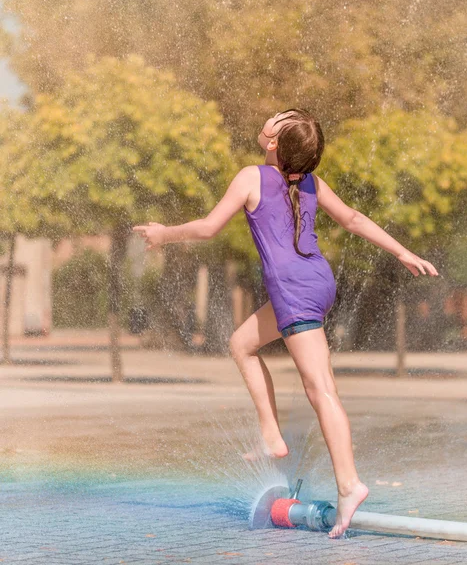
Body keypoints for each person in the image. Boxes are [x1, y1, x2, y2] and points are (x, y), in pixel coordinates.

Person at [133, 108, 439, 539]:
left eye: (280, 119)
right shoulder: (310, 181)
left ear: (275, 142)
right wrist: (402, 251)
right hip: (314, 282)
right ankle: (271, 436)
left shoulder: (252, 176)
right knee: (242, 343)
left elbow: (208, 228)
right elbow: (352, 218)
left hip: (294, 290)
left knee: (321, 389)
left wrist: (164, 235)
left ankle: (350, 485)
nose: (273, 116)